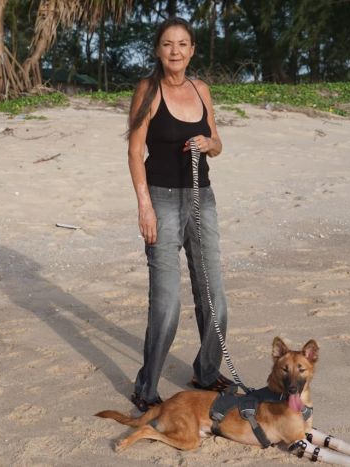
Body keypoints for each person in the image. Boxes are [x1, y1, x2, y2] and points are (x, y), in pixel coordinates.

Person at [127, 17, 231, 412]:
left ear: (192, 50)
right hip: (163, 200)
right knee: (167, 304)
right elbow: (135, 151)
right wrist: (145, 206)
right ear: (158, 50)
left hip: (202, 199)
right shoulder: (148, 90)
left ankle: (206, 372)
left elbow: (217, 144)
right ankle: (146, 387)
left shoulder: (201, 89)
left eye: (183, 44)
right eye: (168, 44)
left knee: (214, 296)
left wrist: (209, 142)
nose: (175, 51)